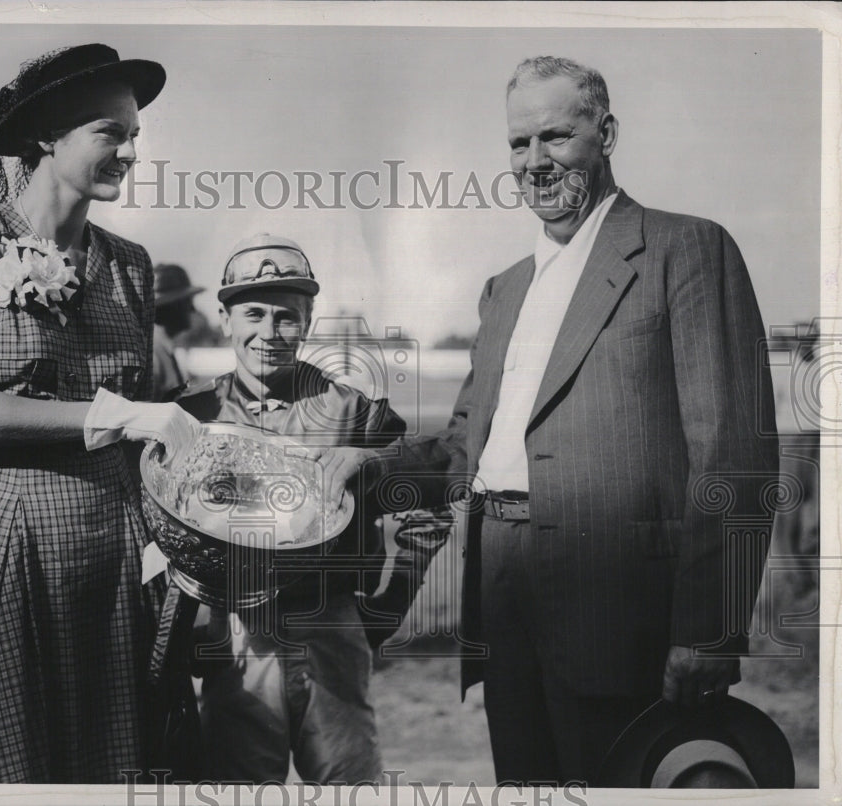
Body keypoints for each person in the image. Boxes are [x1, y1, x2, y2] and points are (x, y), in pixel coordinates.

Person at [313, 56, 780, 784]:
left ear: (607, 133)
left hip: (623, 613)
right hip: (504, 606)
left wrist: (710, 630)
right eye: (518, 143)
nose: (534, 161)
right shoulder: (505, 291)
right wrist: (366, 470)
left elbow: (733, 451)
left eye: (556, 137)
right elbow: (466, 447)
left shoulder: (685, 248)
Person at [0, 44, 199, 783]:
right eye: (109, 133)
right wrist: (122, 415)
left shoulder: (130, 264)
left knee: (98, 751)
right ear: (48, 136)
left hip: (108, 548)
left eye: (135, 136)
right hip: (0, 540)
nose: (128, 151)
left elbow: (154, 417)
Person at [171, 233, 406, 784]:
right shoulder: (193, 412)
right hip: (237, 633)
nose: (270, 333)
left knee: (349, 787)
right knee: (241, 787)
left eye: (288, 316)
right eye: (253, 313)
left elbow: (431, 486)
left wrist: (393, 599)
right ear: (225, 317)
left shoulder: (350, 407)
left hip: (331, 627)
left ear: (309, 318)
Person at [152, 263, 204, 401]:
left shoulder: (162, 348)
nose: (192, 310)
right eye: (188, 302)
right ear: (171, 306)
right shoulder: (152, 355)